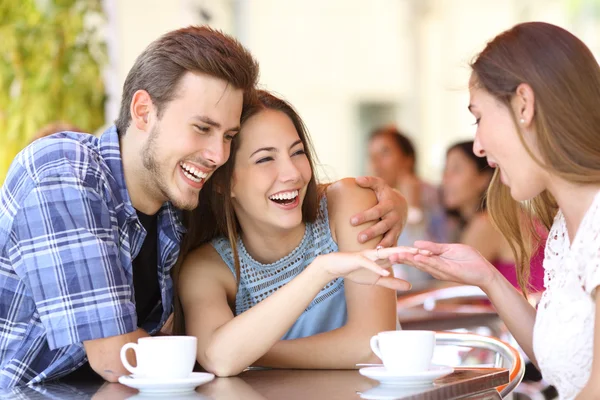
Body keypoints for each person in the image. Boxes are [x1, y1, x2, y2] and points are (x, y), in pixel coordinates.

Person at [0, 26, 409, 388]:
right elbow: (114, 359)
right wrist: (214, 351)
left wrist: (386, 200)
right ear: (143, 111)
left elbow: (270, 192)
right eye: (202, 128)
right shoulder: (65, 173)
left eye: (228, 135)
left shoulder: (177, 204)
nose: (217, 154)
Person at [392, 22, 600, 400]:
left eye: (479, 118)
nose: (478, 146)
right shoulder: (569, 223)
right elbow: (567, 358)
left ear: (524, 104)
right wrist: (486, 277)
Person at [174, 91, 413, 376]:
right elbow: (220, 359)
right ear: (223, 184)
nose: (293, 174)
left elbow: (372, 347)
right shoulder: (207, 267)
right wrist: (320, 271)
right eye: (265, 159)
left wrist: (247, 350)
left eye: (297, 152)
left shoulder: (348, 203)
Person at [442, 140, 544, 292]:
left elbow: (451, 292)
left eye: (456, 169)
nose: (445, 178)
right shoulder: (503, 214)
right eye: (445, 169)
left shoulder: (488, 222)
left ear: (483, 178)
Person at [368, 126, 448, 282]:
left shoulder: (431, 195)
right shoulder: (375, 200)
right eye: (371, 155)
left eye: (385, 153)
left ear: (408, 159)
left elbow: (420, 269)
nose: (375, 162)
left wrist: (413, 207)